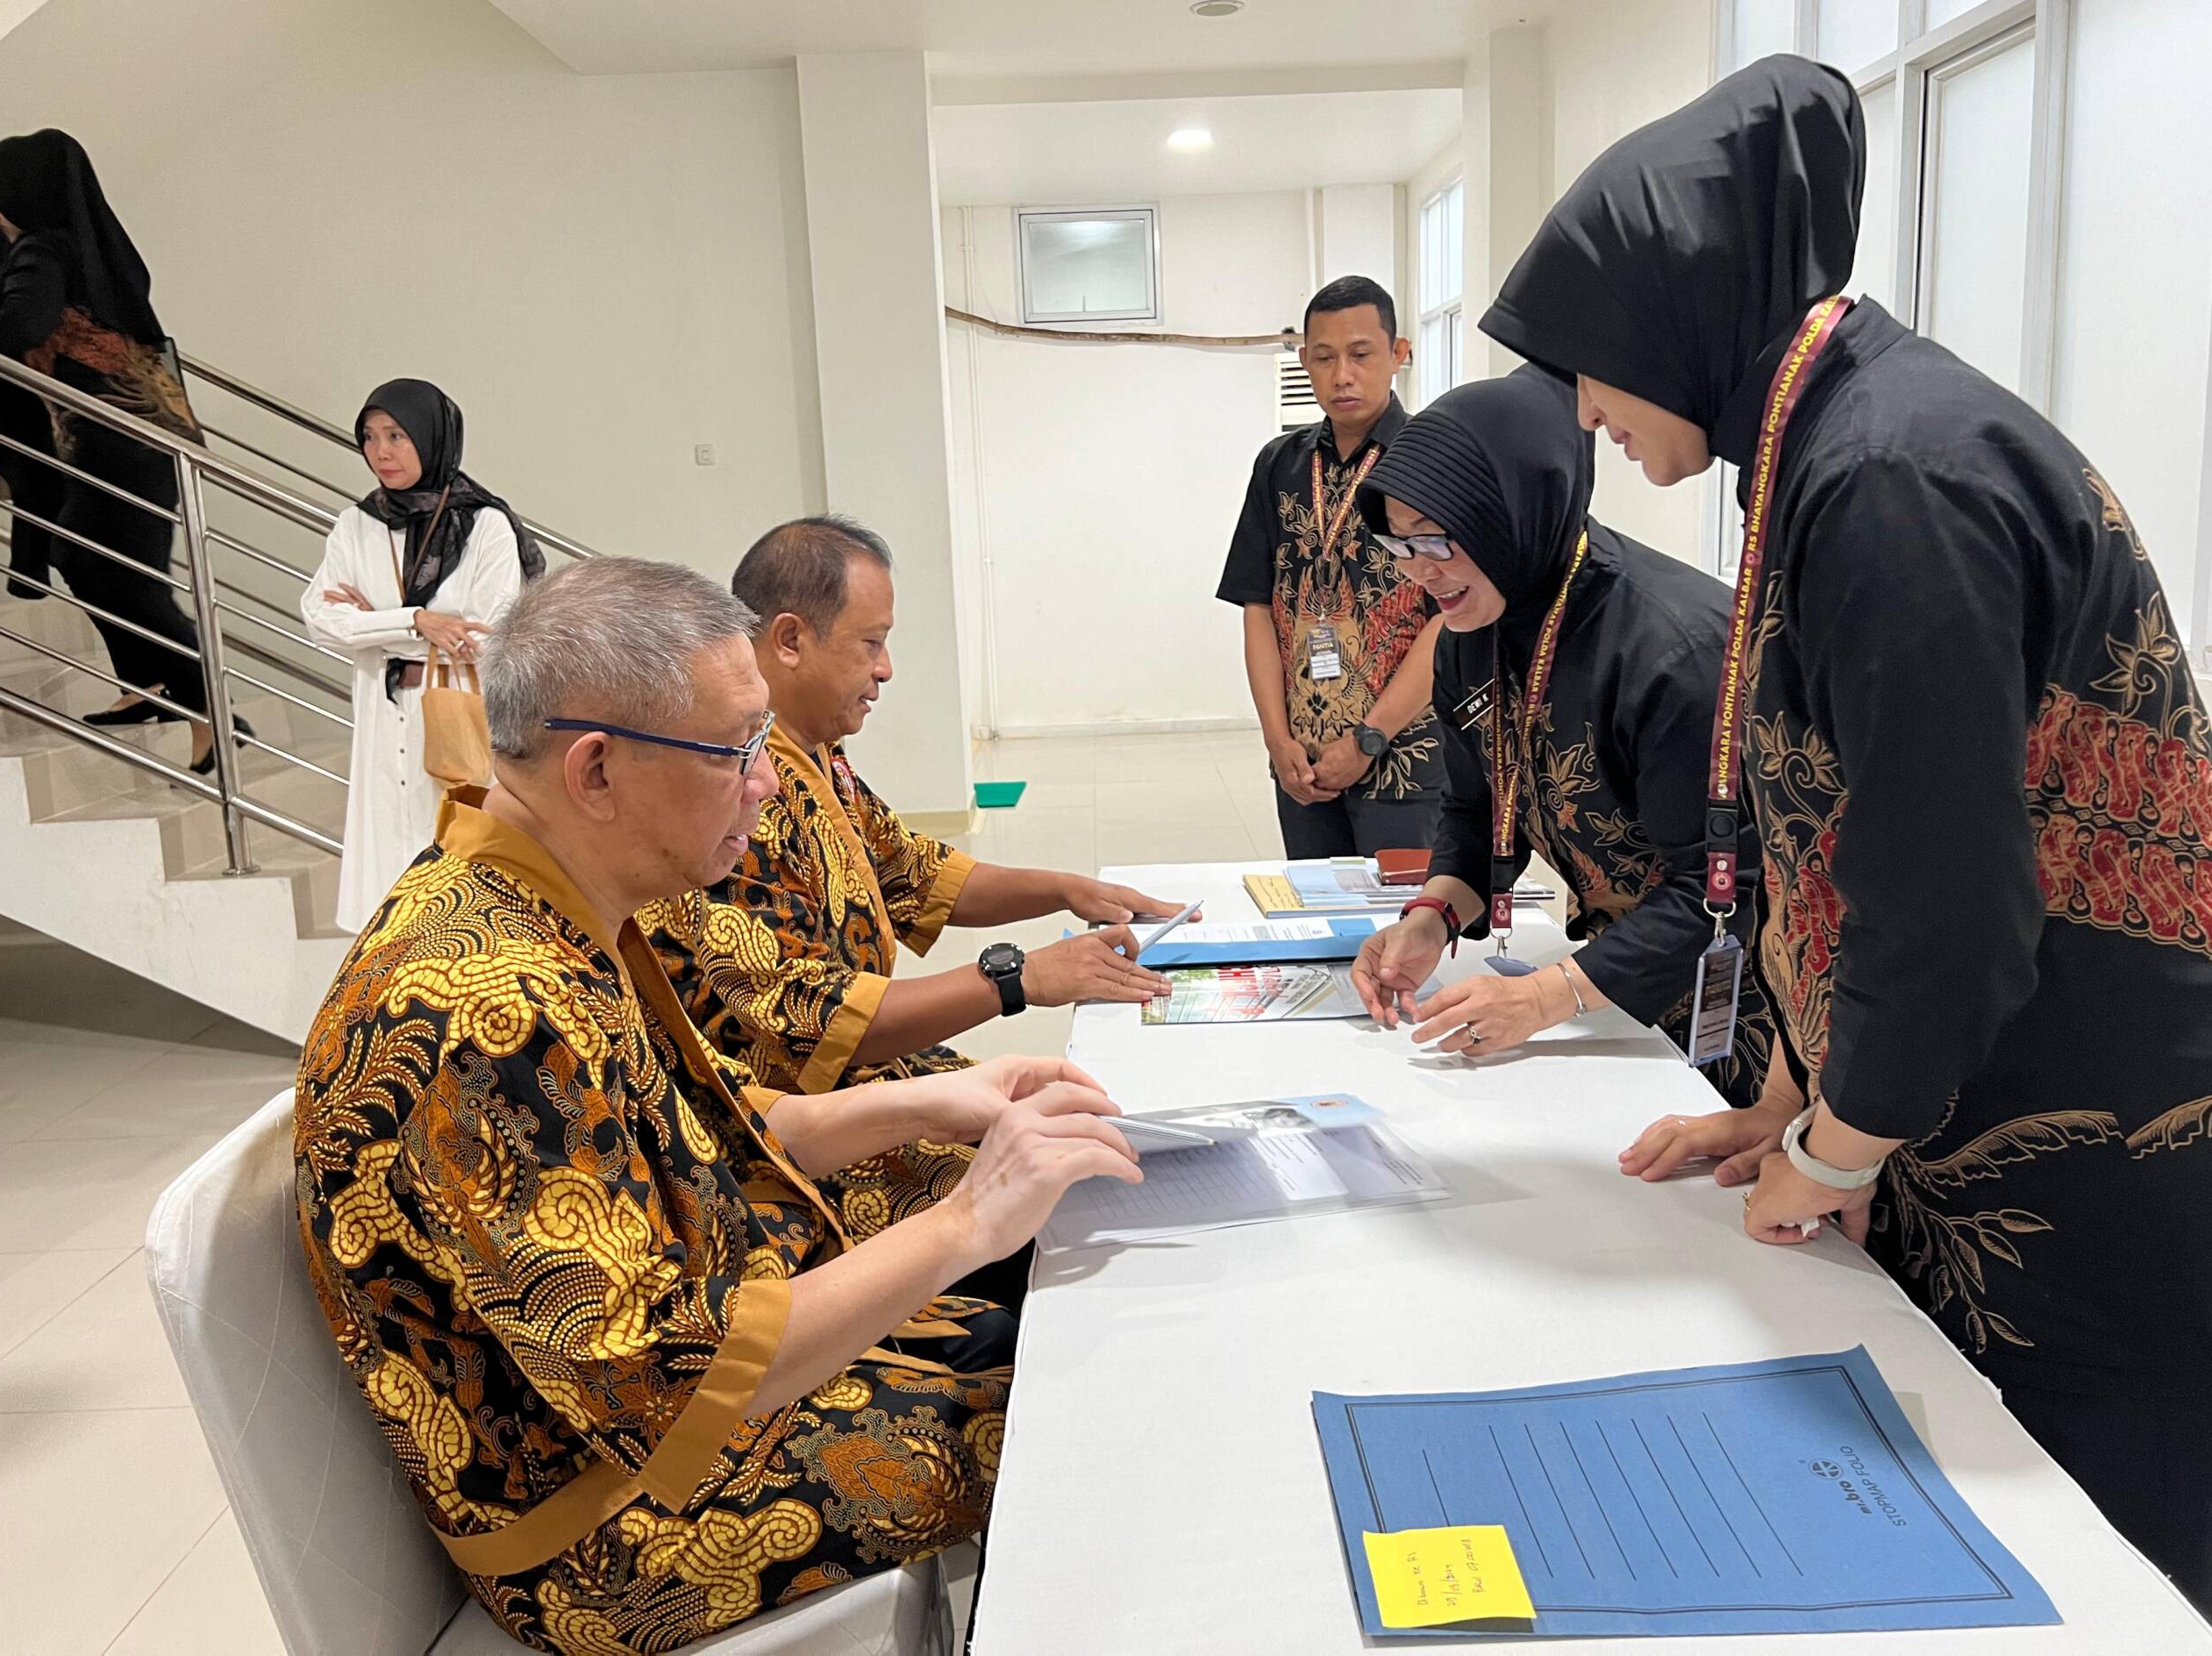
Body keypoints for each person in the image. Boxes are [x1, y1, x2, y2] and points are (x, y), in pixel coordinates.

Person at [1482, 54, 2212, 1608]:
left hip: (2085, 1127)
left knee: (2104, 1562)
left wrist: (1834, 1146)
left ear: (1667, 318)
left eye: (1588, 369)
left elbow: (1943, 896)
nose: (1590, 412)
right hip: (1964, 1095)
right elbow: (1831, 829)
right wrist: (1794, 1094)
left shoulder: (1891, 474)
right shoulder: (1827, 447)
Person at [296, 555, 1140, 1652]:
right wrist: (967, 1220)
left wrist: (948, 1103)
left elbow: (727, 1121)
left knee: (1063, 1332)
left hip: (688, 1392)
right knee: (1075, 1423)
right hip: (608, 1529)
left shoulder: (541, 897)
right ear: (596, 771)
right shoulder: (481, 1008)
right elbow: (677, 1380)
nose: (767, 780)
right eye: (736, 749)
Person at [641, 515, 1187, 1110]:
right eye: (870, 643)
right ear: (790, 640)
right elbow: (813, 1021)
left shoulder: (817, 753)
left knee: (1077, 1105)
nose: (886, 668)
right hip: (792, 1119)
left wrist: (1066, 889)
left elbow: (914, 874)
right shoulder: (741, 790)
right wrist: (1017, 976)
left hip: (869, 1079)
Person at [1346, 367, 1778, 1110]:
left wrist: (1548, 998)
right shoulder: (1469, 633)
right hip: (1616, 991)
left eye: (1439, 540)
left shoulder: (1671, 656)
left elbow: (1723, 887)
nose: (1419, 572)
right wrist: (1433, 915)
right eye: (1400, 544)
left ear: (1510, 514)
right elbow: (1477, 809)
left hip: (1748, 1011)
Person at [0, 130, 229, 771]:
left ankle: (211, 718)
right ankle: (147, 684)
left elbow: (23, 324)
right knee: (83, 556)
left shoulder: (41, 247)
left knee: (125, 582)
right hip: (140, 433)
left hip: (115, 439)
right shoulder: (88, 245)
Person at [301, 379, 540, 933]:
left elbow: (490, 635)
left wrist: (370, 622)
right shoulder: (354, 527)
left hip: (459, 712)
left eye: (397, 436)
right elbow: (321, 621)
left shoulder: (486, 526)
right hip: (385, 719)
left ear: (432, 438)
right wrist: (417, 621)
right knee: (387, 871)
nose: (381, 452)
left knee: (464, 865)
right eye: (369, 437)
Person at [1217, 275, 1441, 859]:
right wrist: (1276, 738)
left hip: (1406, 763)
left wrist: (1369, 739)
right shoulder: (1279, 465)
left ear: (1398, 355)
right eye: (1324, 357)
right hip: (1304, 768)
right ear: (1305, 362)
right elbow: (1258, 606)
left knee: (1404, 935)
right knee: (1316, 932)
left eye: (1361, 354)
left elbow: (1454, 622)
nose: (1342, 375)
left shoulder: (1435, 461)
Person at [0, 197, 67, 595]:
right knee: (38, 476)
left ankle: (32, 569)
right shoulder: (10, 241)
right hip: (17, 383)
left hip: (11, 381)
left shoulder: (18, 244)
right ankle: (32, 568)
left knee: (36, 478)